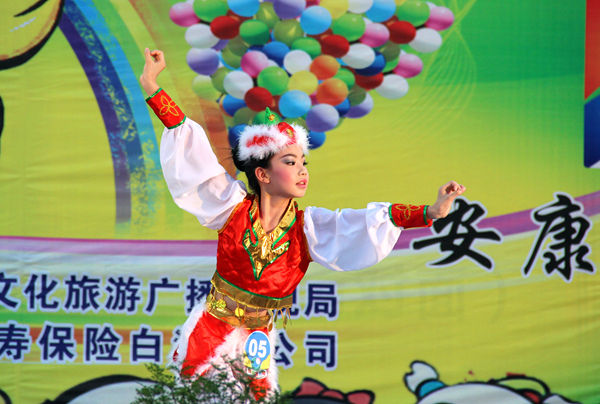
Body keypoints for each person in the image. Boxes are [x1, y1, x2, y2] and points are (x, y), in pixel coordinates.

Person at [140, 48, 466, 399]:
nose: (302, 171)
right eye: (290, 162)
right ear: (263, 174)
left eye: (303, 163)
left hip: (257, 339)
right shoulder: (231, 207)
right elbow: (191, 148)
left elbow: (366, 222)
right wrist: (151, 85)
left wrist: (429, 213)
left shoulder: (308, 228)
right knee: (191, 396)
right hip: (211, 326)